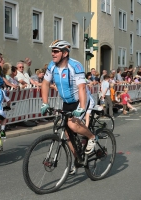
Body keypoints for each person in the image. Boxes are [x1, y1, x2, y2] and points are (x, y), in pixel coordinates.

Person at [40, 40, 96, 174]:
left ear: (64, 53)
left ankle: (93, 138)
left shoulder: (75, 66)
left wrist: (82, 107)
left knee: (72, 125)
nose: (53, 54)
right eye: (52, 51)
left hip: (81, 100)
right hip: (67, 102)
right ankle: (78, 159)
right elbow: (45, 84)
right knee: (66, 132)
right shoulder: (52, 66)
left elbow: (82, 87)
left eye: (56, 51)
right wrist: (45, 102)